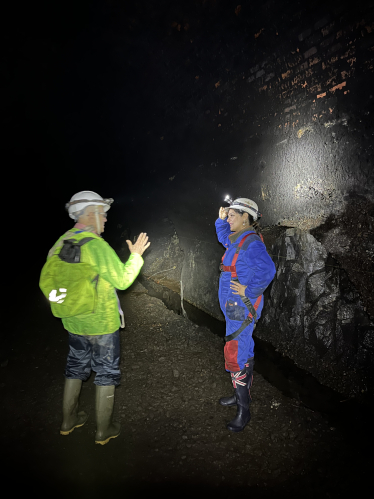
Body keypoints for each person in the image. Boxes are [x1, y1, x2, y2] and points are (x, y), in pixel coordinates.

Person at [43, 191, 150, 445]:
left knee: (75, 368)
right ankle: (104, 430)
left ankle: (68, 421)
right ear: (90, 213)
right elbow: (123, 280)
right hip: (101, 324)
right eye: (102, 214)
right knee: (106, 372)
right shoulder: (96, 246)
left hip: (73, 321)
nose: (105, 219)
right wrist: (135, 256)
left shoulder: (61, 243)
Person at [215, 197, 276, 432]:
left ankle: (244, 409)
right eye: (228, 214)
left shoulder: (252, 243)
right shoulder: (237, 238)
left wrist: (249, 291)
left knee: (235, 351)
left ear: (245, 218)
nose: (228, 217)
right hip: (233, 306)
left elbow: (268, 269)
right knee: (244, 349)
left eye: (232, 215)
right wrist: (220, 221)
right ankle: (239, 394)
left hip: (241, 307)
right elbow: (223, 238)